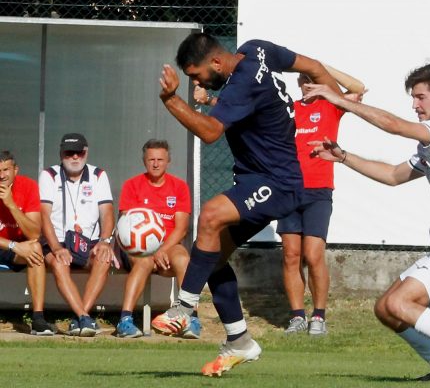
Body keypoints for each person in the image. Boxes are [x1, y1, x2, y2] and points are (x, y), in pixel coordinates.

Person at [150, 32, 343, 376]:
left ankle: (184, 308)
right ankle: (240, 340)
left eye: (197, 76)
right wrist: (337, 100)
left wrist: (171, 100)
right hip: (261, 180)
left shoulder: (240, 84)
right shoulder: (258, 49)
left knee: (209, 214)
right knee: (210, 258)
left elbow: (210, 132)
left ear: (215, 62)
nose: (197, 83)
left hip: (277, 183)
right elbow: (312, 66)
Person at [305, 63, 430, 385]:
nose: (415, 105)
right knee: (386, 308)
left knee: (400, 302)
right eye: (413, 98)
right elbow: (393, 176)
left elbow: (394, 126)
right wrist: (343, 157)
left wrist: (339, 100)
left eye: (421, 97)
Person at [277, 68, 365, 336]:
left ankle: (319, 316)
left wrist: (322, 69)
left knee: (313, 255)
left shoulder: (331, 105)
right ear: (298, 82)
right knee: (291, 255)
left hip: (318, 191)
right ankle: (296, 316)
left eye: (313, 80)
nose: (308, 84)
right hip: (288, 189)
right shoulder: (288, 109)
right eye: (304, 80)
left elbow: (358, 87)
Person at [116, 139, 200, 339]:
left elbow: (181, 228)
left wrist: (162, 249)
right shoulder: (132, 185)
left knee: (183, 258)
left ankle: (191, 318)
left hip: (169, 245)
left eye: (160, 159)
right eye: (151, 159)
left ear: (168, 161)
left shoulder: (179, 187)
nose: (155, 163)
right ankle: (125, 320)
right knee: (144, 262)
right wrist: (152, 250)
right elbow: (126, 225)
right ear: (144, 161)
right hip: (139, 247)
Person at [39, 133, 116, 337]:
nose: (74, 157)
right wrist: (56, 248)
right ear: (61, 153)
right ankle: (84, 317)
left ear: (86, 152)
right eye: (69, 152)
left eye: (79, 152)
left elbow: (107, 212)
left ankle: (81, 317)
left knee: (103, 258)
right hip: (57, 240)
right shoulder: (49, 175)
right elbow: (43, 216)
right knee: (58, 263)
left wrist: (105, 241)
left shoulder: (99, 175)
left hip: (89, 241)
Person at [0, 151, 54, 336]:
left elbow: (34, 233)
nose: (1, 175)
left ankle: (38, 318)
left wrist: (11, 204)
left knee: (36, 249)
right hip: (8, 245)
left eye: (6, 169)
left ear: (15, 170)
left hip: (18, 248)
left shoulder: (28, 186)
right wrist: (14, 246)